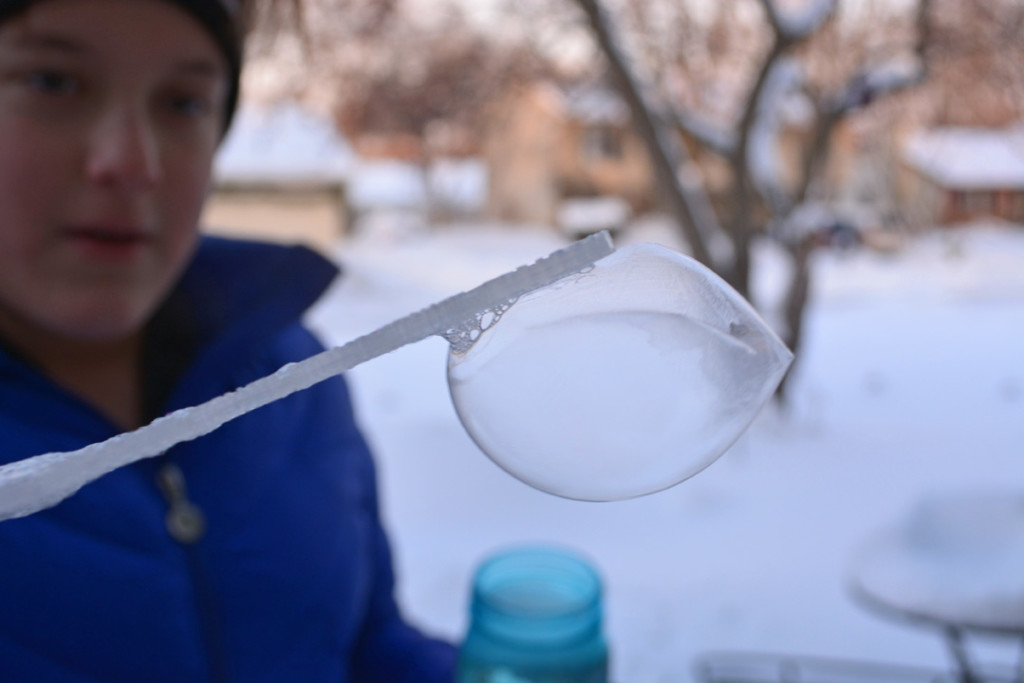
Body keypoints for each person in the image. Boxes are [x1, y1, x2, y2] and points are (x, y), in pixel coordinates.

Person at [0, 0, 457, 680]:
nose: (131, 162)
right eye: (54, 83)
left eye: (183, 102)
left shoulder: (290, 374)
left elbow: (363, 641)